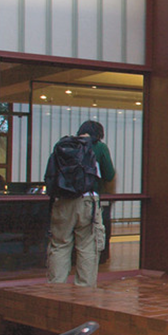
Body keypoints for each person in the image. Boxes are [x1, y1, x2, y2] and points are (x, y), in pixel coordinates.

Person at [47, 120, 115, 287]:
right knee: (87, 246)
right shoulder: (98, 147)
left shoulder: (62, 145)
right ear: (99, 134)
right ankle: (85, 289)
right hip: (87, 201)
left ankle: (56, 287)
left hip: (62, 201)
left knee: (60, 244)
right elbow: (109, 174)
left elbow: (50, 174)